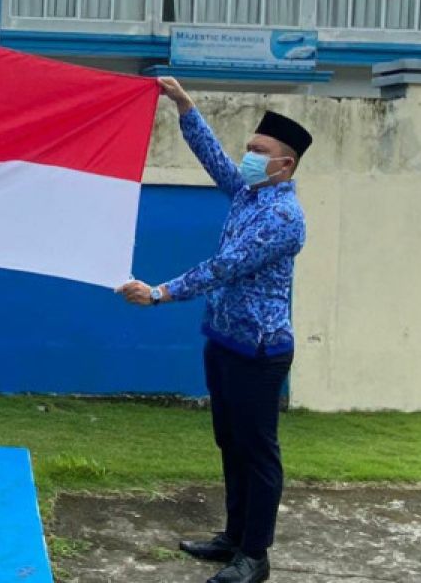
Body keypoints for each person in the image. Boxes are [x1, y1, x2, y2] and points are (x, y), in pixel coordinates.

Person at [116, 77, 312, 583]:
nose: (248, 156)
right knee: (230, 443)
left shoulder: (283, 217)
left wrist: (159, 293)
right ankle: (234, 537)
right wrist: (183, 106)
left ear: (284, 164)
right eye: (249, 147)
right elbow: (216, 162)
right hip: (224, 343)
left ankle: (256, 556)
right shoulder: (250, 194)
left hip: (258, 352)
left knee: (257, 451)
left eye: (259, 150)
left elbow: (223, 267)